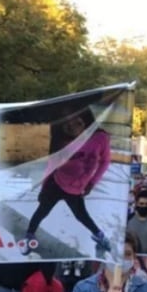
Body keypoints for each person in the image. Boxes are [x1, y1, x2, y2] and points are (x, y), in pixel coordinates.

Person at [22, 108, 113, 253]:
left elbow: (105, 161)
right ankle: (29, 235)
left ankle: (99, 235)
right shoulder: (60, 141)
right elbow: (52, 164)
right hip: (57, 182)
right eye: (67, 124)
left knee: (81, 215)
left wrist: (92, 182)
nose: (73, 126)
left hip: (76, 187)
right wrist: (44, 187)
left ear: (86, 119)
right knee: (42, 210)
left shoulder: (100, 138)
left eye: (77, 121)